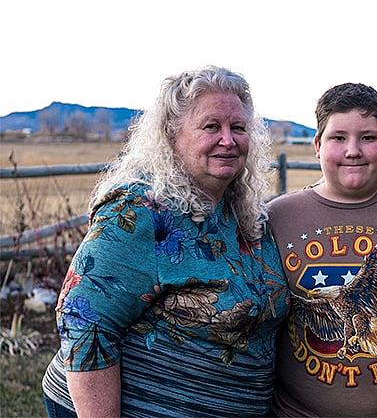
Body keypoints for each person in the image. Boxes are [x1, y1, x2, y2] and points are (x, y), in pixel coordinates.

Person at [42, 66, 289, 417]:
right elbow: (83, 318)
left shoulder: (243, 212)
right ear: (173, 135)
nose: (228, 139)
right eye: (211, 127)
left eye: (238, 127)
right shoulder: (143, 210)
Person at [267, 83, 377, 417]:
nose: (353, 150)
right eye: (338, 138)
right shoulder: (277, 217)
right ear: (317, 146)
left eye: (368, 137)